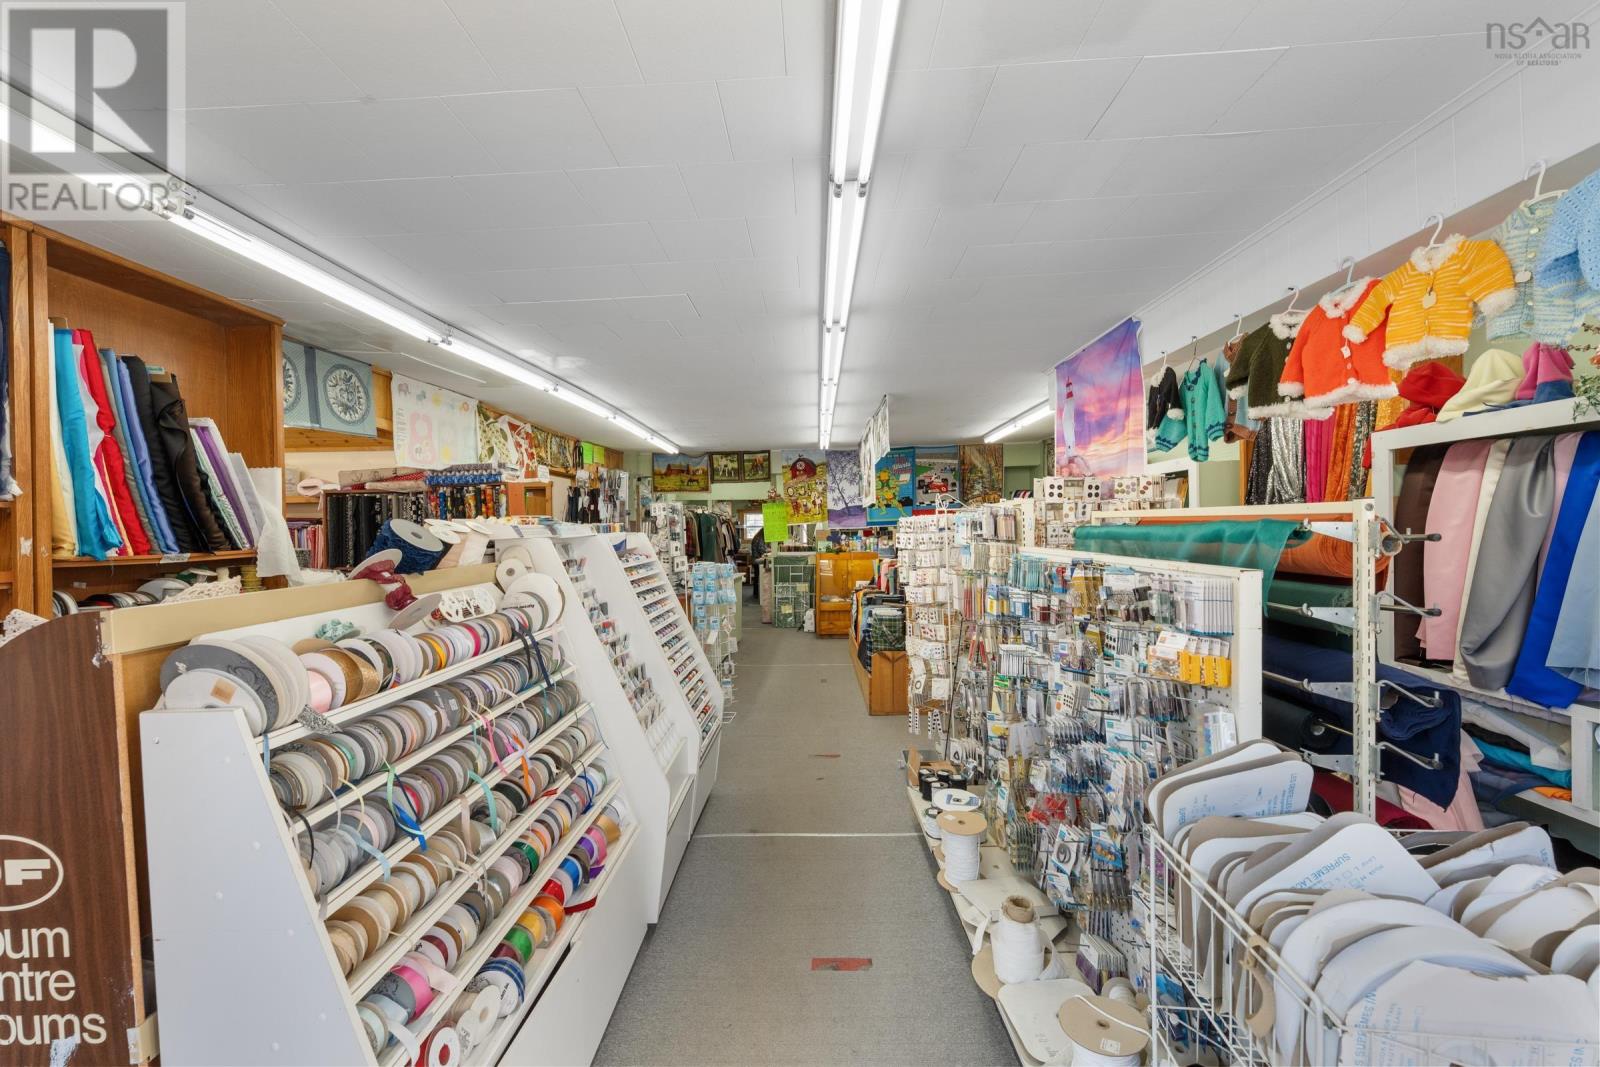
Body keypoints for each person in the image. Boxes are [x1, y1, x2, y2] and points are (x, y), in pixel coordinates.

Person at [748, 528, 767, 602]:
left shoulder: (757, 537)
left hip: (754, 559)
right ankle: (758, 593)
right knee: (758, 576)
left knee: (756, 577)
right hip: (757, 560)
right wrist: (768, 550)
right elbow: (761, 550)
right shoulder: (760, 538)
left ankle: (756, 593)